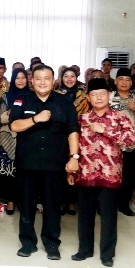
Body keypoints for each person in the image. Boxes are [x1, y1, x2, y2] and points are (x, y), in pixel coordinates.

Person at [10, 64, 81, 260]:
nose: (42, 82)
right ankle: (27, 243)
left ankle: (51, 244)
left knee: (53, 205)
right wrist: (35, 119)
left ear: (53, 81)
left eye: (47, 78)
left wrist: (74, 158)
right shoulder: (21, 100)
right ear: (32, 80)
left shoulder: (64, 102)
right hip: (28, 163)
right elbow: (14, 125)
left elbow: (73, 131)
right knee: (26, 205)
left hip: (55, 164)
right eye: (38, 78)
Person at [70, 78, 135, 267]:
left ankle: (107, 254)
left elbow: (130, 140)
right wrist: (72, 169)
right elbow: (75, 144)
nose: (98, 97)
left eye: (102, 94)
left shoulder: (121, 117)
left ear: (109, 95)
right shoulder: (82, 119)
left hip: (110, 174)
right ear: (88, 98)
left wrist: (105, 130)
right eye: (94, 94)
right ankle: (85, 250)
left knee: (108, 216)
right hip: (86, 173)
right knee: (85, 214)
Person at [110, 68, 135, 216]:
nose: (124, 82)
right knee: (110, 175)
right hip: (111, 144)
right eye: (121, 79)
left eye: (127, 80)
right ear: (115, 81)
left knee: (127, 176)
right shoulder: (108, 97)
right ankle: (107, 205)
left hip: (130, 144)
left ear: (131, 82)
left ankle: (124, 205)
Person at [55, 67, 90, 215]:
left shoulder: (82, 97)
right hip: (58, 136)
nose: (69, 79)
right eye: (66, 76)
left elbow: (86, 116)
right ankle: (58, 202)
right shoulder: (55, 95)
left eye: (72, 76)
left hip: (76, 136)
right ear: (61, 78)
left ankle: (71, 202)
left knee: (74, 168)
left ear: (77, 78)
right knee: (58, 169)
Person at [0, 69, 30, 216]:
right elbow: (0, 119)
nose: (21, 81)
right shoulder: (6, 96)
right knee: (9, 174)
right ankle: (10, 201)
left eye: (23, 78)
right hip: (8, 138)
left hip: (27, 138)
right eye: (17, 78)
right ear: (13, 80)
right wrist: (8, 114)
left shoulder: (32, 97)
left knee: (24, 173)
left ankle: (24, 200)